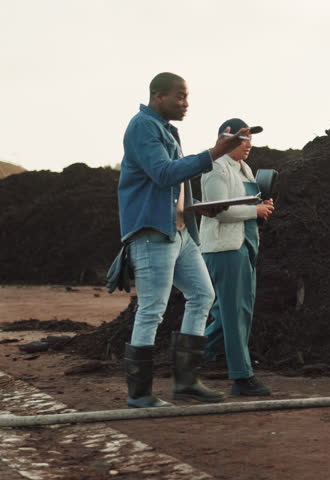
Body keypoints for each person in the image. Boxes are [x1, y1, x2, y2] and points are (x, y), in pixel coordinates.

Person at [118, 72, 252, 408]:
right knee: (151, 310)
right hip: (153, 233)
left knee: (203, 294)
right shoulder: (142, 127)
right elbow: (163, 174)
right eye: (180, 96)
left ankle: (186, 383)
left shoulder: (165, 130)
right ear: (158, 96)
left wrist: (198, 208)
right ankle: (139, 395)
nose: (186, 103)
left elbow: (174, 187)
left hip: (179, 231)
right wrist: (216, 152)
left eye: (187, 96)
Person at [199, 118, 275, 396]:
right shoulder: (215, 168)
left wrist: (262, 207)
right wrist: (254, 212)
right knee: (234, 314)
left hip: (244, 245)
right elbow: (217, 210)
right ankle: (242, 378)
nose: (249, 145)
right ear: (226, 139)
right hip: (224, 249)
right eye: (243, 139)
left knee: (232, 312)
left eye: (250, 139)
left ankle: (188, 355)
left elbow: (245, 204)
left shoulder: (244, 168)